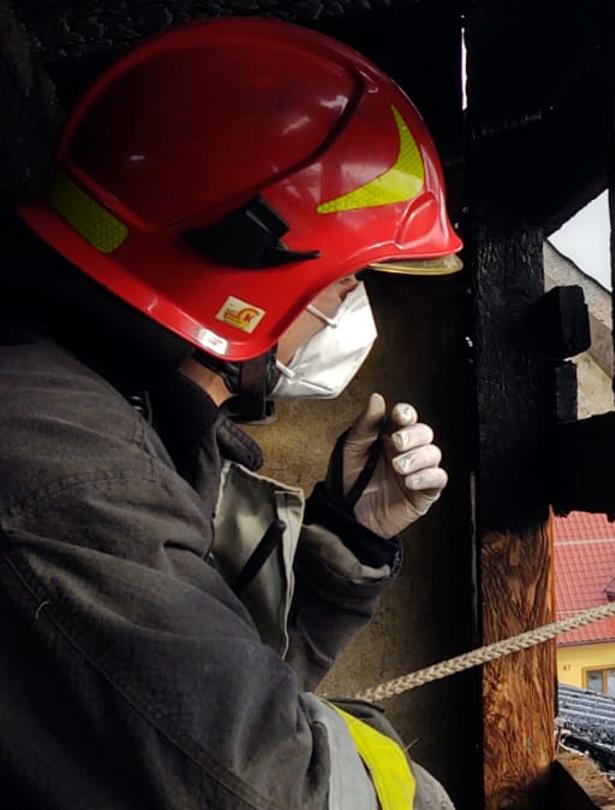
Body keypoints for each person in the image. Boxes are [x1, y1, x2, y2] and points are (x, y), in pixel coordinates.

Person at [0, 18, 463, 808]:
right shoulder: (77, 475)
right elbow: (268, 783)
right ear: (244, 272)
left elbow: (199, 700)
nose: (354, 312)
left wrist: (347, 544)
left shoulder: (121, 426)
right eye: (349, 281)